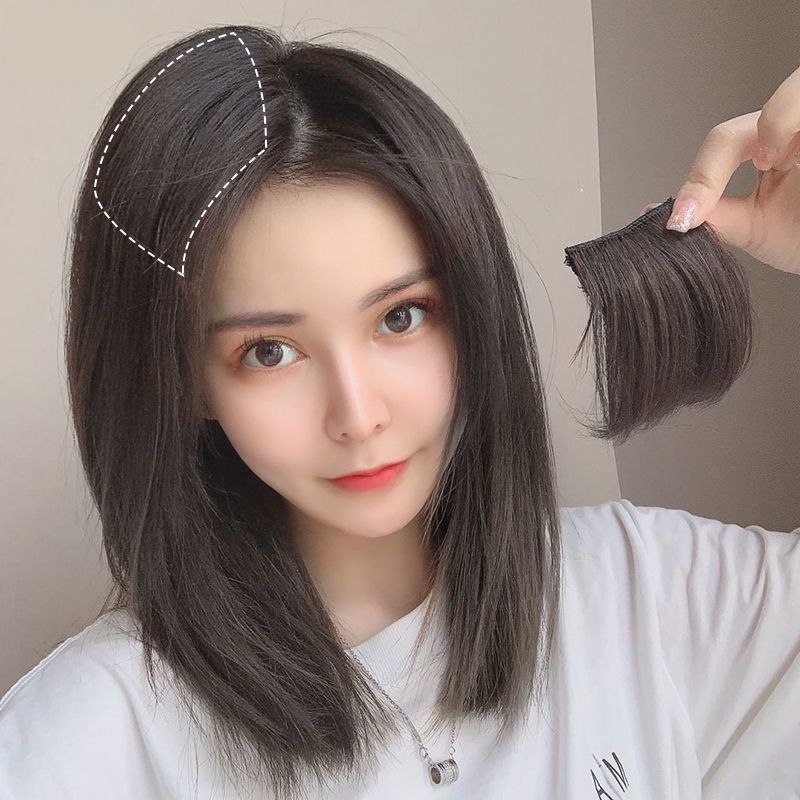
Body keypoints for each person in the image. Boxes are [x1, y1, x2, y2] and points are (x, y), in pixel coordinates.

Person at [0, 23, 798, 800]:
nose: (358, 415)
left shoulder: (643, 595)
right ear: (186, 381)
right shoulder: (94, 738)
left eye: (401, 317)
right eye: (269, 351)